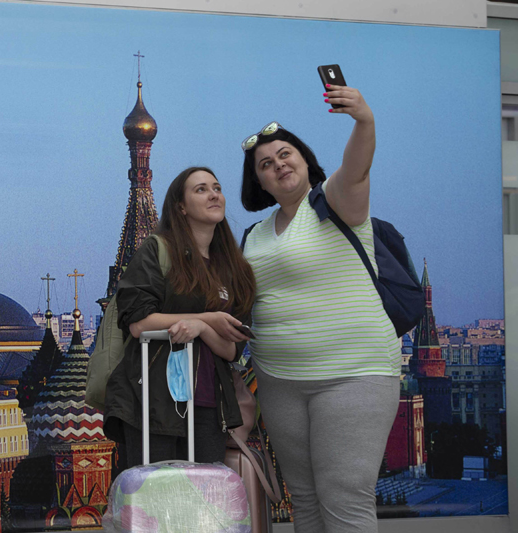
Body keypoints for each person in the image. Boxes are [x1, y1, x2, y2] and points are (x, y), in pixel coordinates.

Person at [240, 85, 401, 533]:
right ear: (260, 182)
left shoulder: (334, 201)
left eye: (286, 153)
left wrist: (364, 121)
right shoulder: (254, 235)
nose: (279, 165)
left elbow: (357, 166)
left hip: (352, 373)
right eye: (266, 165)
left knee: (345, 500)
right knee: (305, 502)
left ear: (306, 160)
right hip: (280, 382)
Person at [103, 166, 256, 468]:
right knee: (155, 500)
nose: (213, 194)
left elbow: (231, 349)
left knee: (202, 503)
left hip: (210, 405)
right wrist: (209, 317)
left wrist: (201, 325)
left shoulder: (235, 269)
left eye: (217, 187)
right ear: (181, 207)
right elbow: (139, 323)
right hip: (153, 400)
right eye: (201, 189)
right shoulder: (158, 251)